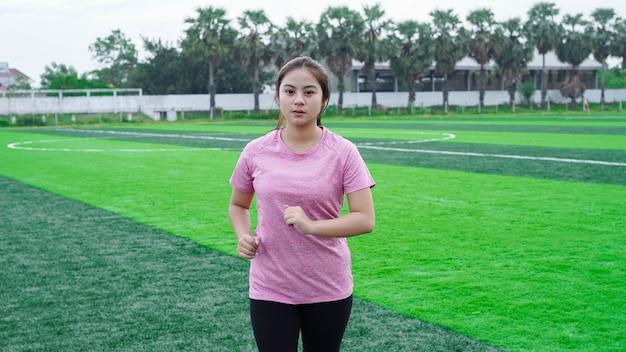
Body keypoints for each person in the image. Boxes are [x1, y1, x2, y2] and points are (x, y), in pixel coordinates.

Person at [228, 56, 375, 352]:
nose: (299, 100)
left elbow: (364, 218)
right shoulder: (256, 151)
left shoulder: (344, 152)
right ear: (278, 97)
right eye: (290, 91)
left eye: (309, 92)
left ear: (323, 101)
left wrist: (312, 226)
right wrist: (243, 236)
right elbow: (238, 205)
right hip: (270, 286)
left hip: (327, 286)